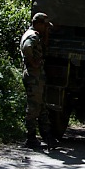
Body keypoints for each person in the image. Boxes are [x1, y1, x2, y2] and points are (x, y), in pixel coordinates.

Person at [20, 12, 57, 149]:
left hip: (37, 76)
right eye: (45, 25)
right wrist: (33, 63)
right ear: (38, 23)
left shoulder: (37, 35)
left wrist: (46, 34)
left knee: (41, 107)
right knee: (34, 107)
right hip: (33, 76)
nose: (47, 28)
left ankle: (47, 137)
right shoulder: (32, 36)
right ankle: (30, 137)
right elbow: (26, 47)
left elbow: (43, 47)